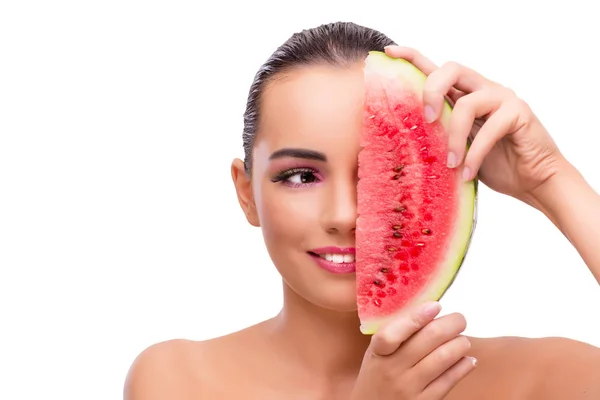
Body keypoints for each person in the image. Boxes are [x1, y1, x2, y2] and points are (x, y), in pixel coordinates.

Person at [123, 21, 600, 399]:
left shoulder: (544, 381)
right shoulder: (177, 382)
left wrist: (549, 178)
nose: (346, 214)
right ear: (246, 193)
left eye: (387, 176)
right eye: (301, 176)